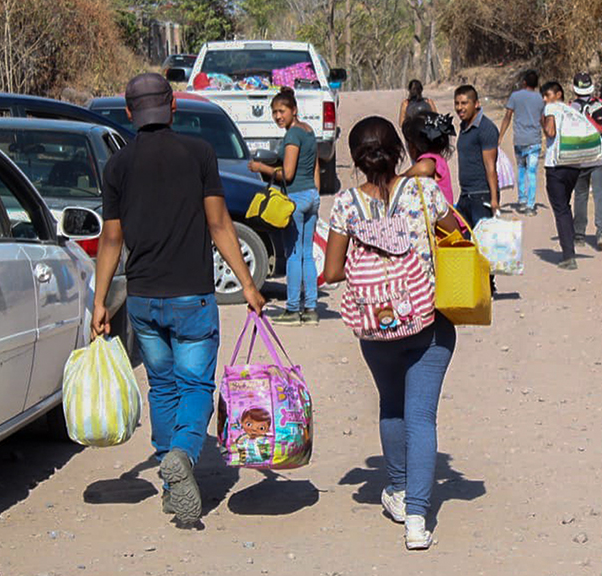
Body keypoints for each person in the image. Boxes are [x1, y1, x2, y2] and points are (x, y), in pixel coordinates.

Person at [91, 73, 266, 526]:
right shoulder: (199, 154)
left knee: (163, 387)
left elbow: (111, 239)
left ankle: (172, 485)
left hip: (144, 300)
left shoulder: (117, 166)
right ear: (172, 107)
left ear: (130, 113)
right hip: (192, 297)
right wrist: (248, 285)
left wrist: (100, 301)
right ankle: (184, 455)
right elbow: (220, 225)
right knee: (196, 387)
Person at [323, 116, 461, 551]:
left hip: (375, 327)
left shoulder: (345, 206)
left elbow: (329, 273)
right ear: (399, 152)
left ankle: (400, 493)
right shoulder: (423, 192)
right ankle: (417, 520)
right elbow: (456, 233)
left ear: (356, 160)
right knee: (422, 418)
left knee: (392, 407)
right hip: (427, 321)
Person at [249, 88, 320, 326]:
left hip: (296, 199)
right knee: (307, 255)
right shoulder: (309, 131)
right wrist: (315, 194)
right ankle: (310, 308)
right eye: (274, 112)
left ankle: (292, 309)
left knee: (293, 255)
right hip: (311, 196)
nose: (278, 116)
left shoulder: (292, 137)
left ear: (294, 110)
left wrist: (261, 168)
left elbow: (287, 175)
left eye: (282, 111)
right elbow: (315, 168)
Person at [454, 85, 499, 290]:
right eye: (457, 103)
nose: (460, 108)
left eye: (464, 103)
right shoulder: (464, 126)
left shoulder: (486, 129)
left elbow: (491, 167)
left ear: (476, 104)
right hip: (465, 194)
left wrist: (494, 199)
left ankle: (487, 286)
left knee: (483, 243)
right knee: (460, 239)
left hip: (481, 194)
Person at [570, 72, 602, 251]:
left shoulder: (570, 108)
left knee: (580, 196)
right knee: (600, 196)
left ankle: (579, 235)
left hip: (580, 159)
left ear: (574, 89)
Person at [541, 80, 582, 270]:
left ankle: (568, 255)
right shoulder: (572, 110)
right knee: (565, 206)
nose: (544, 99)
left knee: (561, 210)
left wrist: (544, 120)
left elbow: (550, 132)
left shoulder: (552, 109)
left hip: (556, 165)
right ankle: (570, 245)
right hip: (574, 164)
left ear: (558, 94)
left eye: (547, 95)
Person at [498, 69, 545, 216]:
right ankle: (531, 206)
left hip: (519, 140)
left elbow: (507, 117)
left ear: (524, 82)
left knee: (521, 169)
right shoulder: (540, 99)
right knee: (532, 172)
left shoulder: (515, 96)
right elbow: (543, 120)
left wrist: (500, 136)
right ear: (537, 84)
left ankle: (522, 200)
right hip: (535, 141)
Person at [401, 110, 457, 205]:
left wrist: (399, 179)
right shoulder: (438, 158)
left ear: (414, 145)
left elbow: (424, 168)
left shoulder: (430, 160)